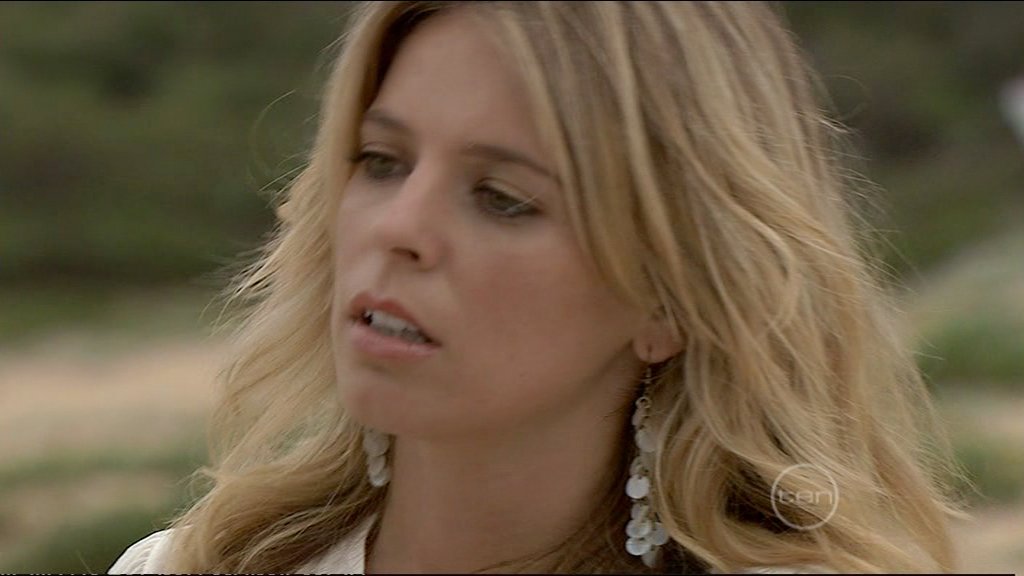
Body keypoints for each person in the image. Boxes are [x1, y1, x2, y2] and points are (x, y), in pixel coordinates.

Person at [109, 1, 965, 573]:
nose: (399, 226)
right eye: (381, 160)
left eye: (503, 198)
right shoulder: (182, 568)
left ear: (668, 298)